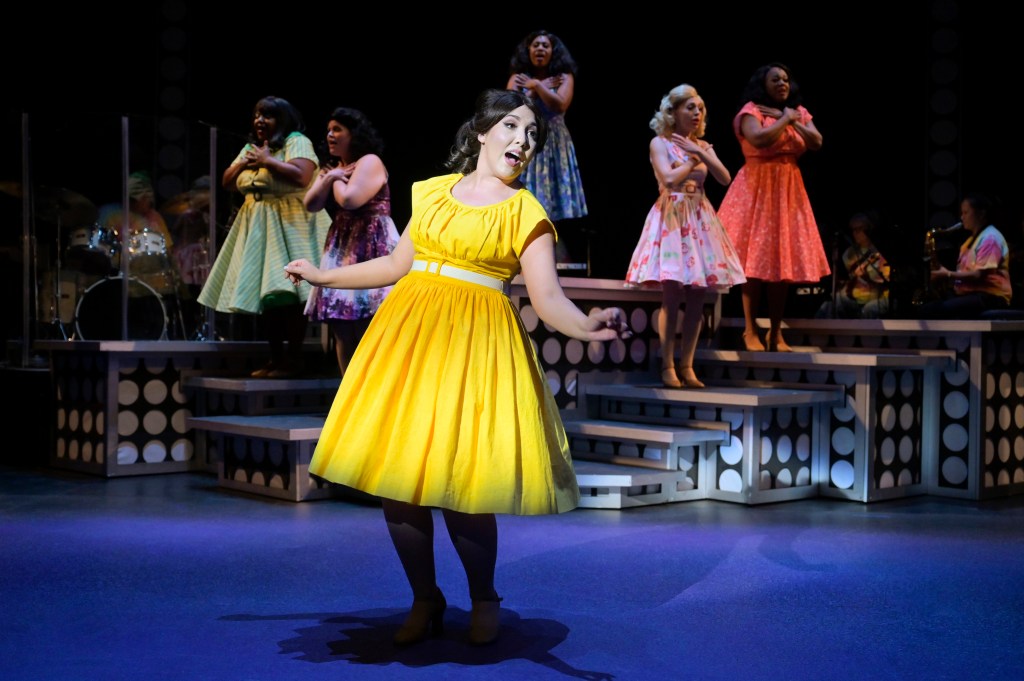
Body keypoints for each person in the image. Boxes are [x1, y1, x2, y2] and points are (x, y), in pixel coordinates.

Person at [283, 89, 631, 647]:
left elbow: (548, 300)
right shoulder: (432, 192)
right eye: (512, 127)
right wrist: (325, 277)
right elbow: (397, 263)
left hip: (475, 350)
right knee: (398, 485)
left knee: (462, 487)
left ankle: (483, 596)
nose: (523, 140)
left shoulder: (526, 212)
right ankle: (424, 598)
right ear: (482, 132)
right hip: (410, 344)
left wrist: (588, 325)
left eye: (532, 135)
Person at [198, 95, 330, 377]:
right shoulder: (252, 148)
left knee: (291, 292)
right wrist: (246, 162)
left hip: (290, 223)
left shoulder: (296, 141)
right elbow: (227, 181)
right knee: (268, 296)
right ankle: (276, 358)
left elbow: (302, 176)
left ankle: (293, 359)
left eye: (267, 115)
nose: (259, 120)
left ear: (282, 119)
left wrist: (267, 161)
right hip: (258, 225)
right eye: (257, 115)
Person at [625, 84, 746, 388]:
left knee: (697, 297)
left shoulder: (702, 145)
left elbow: (725, 177)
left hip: (699, 217)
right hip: (672, 216)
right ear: (674, 111)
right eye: (690, 107)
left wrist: (700, 152)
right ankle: (667, 364)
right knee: (672, 294)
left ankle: (687, 365)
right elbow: (668, 179)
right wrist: (693, 160)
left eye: (700, 108)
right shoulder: (660, 143)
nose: (696, 113)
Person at [717, 62, 830, 351]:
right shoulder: (751, 111)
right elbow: (758, 139)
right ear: (762, 85)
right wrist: (785, 120)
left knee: (782, 264)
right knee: (753, 263)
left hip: (788, 189)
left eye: (785, 79)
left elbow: (816, 141)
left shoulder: (798, 112)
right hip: (757, 187)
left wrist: (790, 119)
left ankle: (776, 332)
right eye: (775, 80)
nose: (782, 84)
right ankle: (750, 329)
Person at [302, 107, 400, 377]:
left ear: (353, 134)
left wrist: (333, 178)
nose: (330, 135)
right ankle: (348, 388)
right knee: (342, 324)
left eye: (337, 129)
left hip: (371, 243)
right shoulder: (335, 170)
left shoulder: (369, 161)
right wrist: (330, 177)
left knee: (371, 322)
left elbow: (349, 199)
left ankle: (376, 388)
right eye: (328, 130)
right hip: (343, 245)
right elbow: (310, 204)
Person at [506, 29, 588, 263]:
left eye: (545, 45)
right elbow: (510, 107)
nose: (540, 49)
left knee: (551, 204)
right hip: (527, 140)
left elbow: (560, 105)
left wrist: (536, 86)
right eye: (536, 45)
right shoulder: (518, 78)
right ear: (528, 50)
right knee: (525, 198)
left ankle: (549, 257)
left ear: (553, 51)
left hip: (554, 143)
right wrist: (536, 87)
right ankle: (519, 254)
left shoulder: (563, 77)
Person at [916, 192, 1012, 319]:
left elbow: (978, 275)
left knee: (932, 310)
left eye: (966, 213)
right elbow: (965, 274)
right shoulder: (969, 242)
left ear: (981, 214)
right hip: (973, 295)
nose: (962, 217)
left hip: (991, 296)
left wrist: (947, 274)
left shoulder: (990, 238)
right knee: (928, 307)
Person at [816, 211, 891, 319]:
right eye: (853, 230)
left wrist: (867, 278)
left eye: (859, 229)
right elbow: (846, 278)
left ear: (869, 229)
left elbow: (887, 283)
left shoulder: (880, 252)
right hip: (854, 298)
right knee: (830, 304)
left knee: (869, 309)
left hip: (876, 298)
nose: (855, 233)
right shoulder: (849, 253)